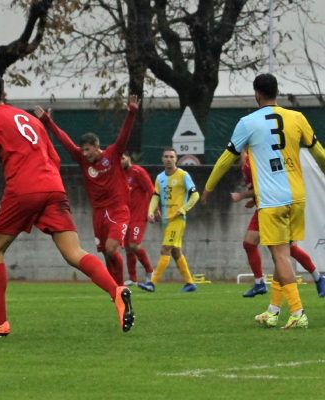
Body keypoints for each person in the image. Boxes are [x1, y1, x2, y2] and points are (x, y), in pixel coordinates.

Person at [0, 73, 134, 336]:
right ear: (4, 93)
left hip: (23, 189)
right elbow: (54, 157)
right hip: (54, 188)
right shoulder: (31, 120)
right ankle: (116, 291)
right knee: (74, 253)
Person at [201, 73, 325, 329]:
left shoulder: (247, 122)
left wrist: (209, 187)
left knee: (280, 255)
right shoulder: (297, 117)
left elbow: (226, 159)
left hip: (272, 201)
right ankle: (273, 310)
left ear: (257, 93)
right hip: (297, 198)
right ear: (276, 92)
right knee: (283, 252)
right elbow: (319, 153)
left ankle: (298, 312)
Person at [34, 99, 138, 286]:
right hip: (98, 213)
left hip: (118, 210)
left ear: (97, 147)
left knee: (111, 248)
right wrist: (48, 121)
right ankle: (116, 291)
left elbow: (124, 136)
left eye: (88, 150)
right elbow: (64, 141)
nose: (84, 154)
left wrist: (131, 113)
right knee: (107, 254)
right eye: (82, 150)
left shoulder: (112, 155)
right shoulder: (83, 160)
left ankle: (121, 288)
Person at [232, 151, 325, 298]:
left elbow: (261, 187)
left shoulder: (251, 163)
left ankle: (309, 288)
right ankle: (261, 285)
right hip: (267, 207)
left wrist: (242, 195)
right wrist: (254, 200)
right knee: (253, 244)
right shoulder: (250, 163)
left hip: (275, 208)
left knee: (284, 251)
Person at [137, 148, 199, 293]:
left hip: (177, 219)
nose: (169, 159)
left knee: (165, 249)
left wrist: (184, 209)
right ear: (162, 159)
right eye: (166, 156)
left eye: (171, 156)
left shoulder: (183, 175)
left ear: (176, 159)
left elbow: (195, 195)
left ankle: (152, 283)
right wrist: (150, 211)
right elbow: (156, 196)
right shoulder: (159, 178)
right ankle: (190, 283)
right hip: (165, 220)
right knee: (175, 252)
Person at [121, 153, 155, 285]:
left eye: (123, 158)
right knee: (128, 248)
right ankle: (133, 278)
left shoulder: (137, 171)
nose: (120, 161)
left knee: (134, 245)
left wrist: (154, 209)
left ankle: (149, 270)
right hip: (125, 216)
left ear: (129, 158)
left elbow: (151, 189)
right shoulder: (118, 174)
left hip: (139, 215)